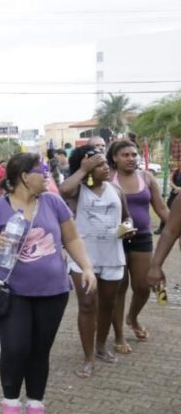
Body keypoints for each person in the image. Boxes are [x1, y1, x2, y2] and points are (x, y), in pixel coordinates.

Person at [0, 152, 97, 414]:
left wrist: (86, 267)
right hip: (13, 292)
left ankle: (35, 403)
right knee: (15, 348)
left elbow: (72, 239)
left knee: (40, 350)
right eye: (40, 171)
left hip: (54, 292)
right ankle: (9, 403)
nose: (46, 175)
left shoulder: (53, 203)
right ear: (23, 177)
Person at [59, 146, 133, 378]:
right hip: (84, 257)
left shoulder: (116, 190)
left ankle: (101, 346)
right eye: (100, 165)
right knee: (88, 304)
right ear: (87, 167)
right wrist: (83, 170)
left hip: (112, 255)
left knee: (108, 305)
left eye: (106, 164)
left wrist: (128, 227)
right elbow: (63, 190)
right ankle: (88, 356)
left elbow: (126, 217)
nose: (106, 168)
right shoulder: (77, 191)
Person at [107, 140, 168, 350]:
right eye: (125, 155)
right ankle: (118, 336)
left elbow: (161, 208)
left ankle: (132, 317)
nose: (131, 158)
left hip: (142, 237)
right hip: (116, 239)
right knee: (119, 288)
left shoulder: (146, 177)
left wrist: (176, 230)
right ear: (114, 157)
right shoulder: (107, 178)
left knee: (143, 286)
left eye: (134, 154)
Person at [156, 164, 181, 234]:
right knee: (167, 209)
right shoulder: (176, 171)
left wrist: (179, 190)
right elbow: (171, 181)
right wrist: (176, 188)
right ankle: (162, 228)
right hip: (174, 194)